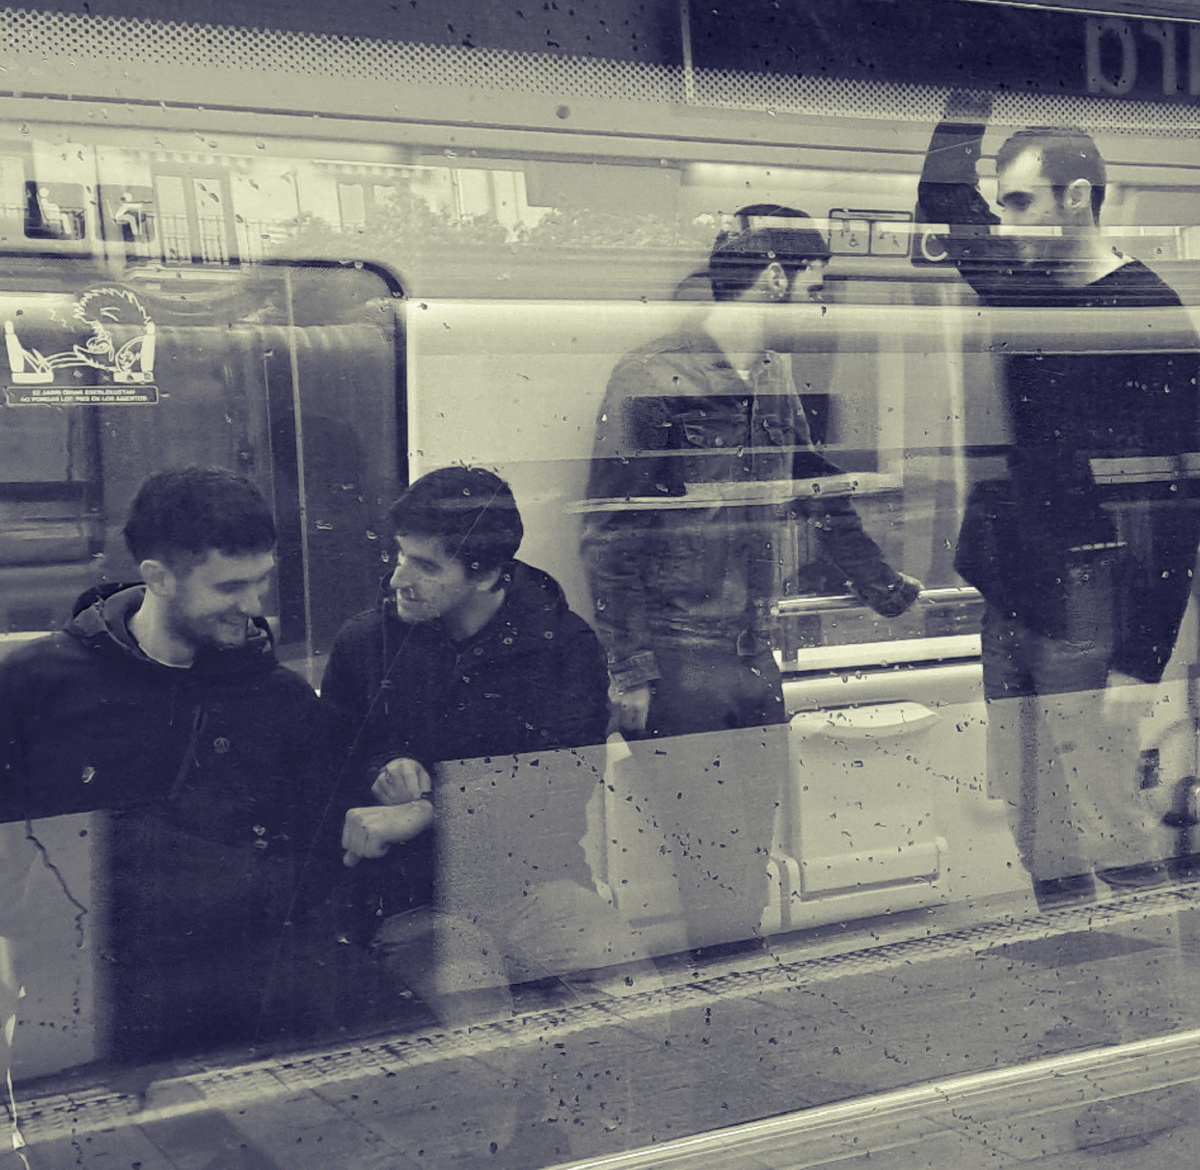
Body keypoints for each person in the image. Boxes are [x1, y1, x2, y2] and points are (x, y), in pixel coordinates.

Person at [581, 205, 921, 951]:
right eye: (814, 288)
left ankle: (736, 980)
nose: (818, 308)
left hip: (752, 649)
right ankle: (725, 991)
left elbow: (809, 484)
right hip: (680, 652)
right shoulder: (652, 374)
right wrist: (630, 669)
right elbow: (612, 528)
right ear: (773, 277)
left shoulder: (774, 373)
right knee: (709, 859)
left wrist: (878, 583)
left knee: (747, 854)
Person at [917, 107, 1200, 906]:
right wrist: (967, 91)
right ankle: (1070, 962)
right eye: (1002, 204)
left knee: (1106, 809)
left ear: (1077, 198)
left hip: (1090, 591)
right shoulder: (1025, 285)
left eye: (1020, 203)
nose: (1004, 224)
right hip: (1014, 580)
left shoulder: (1148, 310)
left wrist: (1141, 658)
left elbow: (1177, 497)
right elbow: (943, 198)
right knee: (1031, 809)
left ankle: (1144, 970)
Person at [0, 466, 332, 1064]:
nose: (253, 605)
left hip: (247, 1008)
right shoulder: (35, 686)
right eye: (230, 587)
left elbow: (316, 861)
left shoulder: (281, 700)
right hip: (79, 1004)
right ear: (157, 576)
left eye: (261, 580)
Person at [320, 466, 650, 1022]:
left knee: (637, 995)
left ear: (487, 574)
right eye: (401, 555)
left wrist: (429, 810)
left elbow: (559, 793)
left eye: (426, 566)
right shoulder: (365, 644)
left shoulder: (564, 648)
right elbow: (326, 767)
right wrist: (380, 767)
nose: (399, 578)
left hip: (533, 882)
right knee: (474, 1009)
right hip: (410, 896)